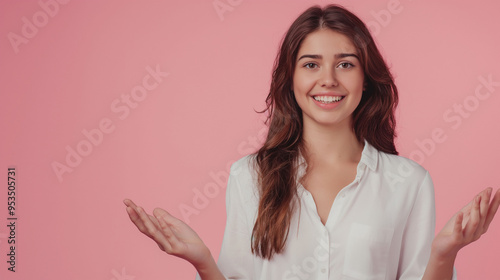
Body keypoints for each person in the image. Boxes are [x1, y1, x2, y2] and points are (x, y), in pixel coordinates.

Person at [123, 4, 500, 280]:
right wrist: (202, 260)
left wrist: (443, 253)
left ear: (365, 78)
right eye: (311, 64)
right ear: (290, 78)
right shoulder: (248, 176)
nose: (329, 80)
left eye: (345, 64)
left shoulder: (409, 182)